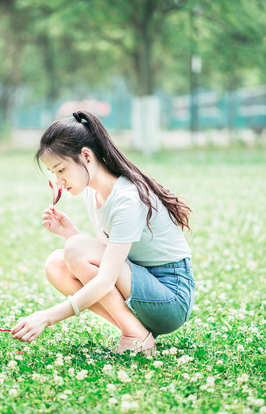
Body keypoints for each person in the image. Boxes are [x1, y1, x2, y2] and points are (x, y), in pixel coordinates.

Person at [11, 110, 195, 354]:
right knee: (56, 263)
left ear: (86, 155)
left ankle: (134, 334)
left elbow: (107, 278)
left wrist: (47, 317)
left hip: (170, 298)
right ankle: (137, 332)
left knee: (75, 249)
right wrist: (72, 234)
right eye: (53, 173)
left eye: (61, 170)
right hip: (140, 288)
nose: (58, 181)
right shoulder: (92, 193)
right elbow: (108, 259)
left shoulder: (128, 197)